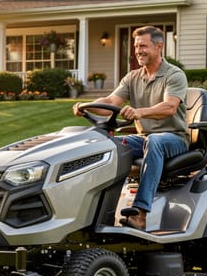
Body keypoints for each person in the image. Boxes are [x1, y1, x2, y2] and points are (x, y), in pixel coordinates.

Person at [73, 26, 188, 230]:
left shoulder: (174, 74)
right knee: (107, 145)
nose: (138, 51)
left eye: (143, 46)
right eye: (136, 46)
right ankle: (94, 208)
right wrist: (87, 106)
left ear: (159, 46)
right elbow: (110, 101)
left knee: (155, 141)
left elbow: (170, 107)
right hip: (144, 139)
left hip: (174, 138)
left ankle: (140, 214)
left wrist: (140, 112)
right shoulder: (133, 77)